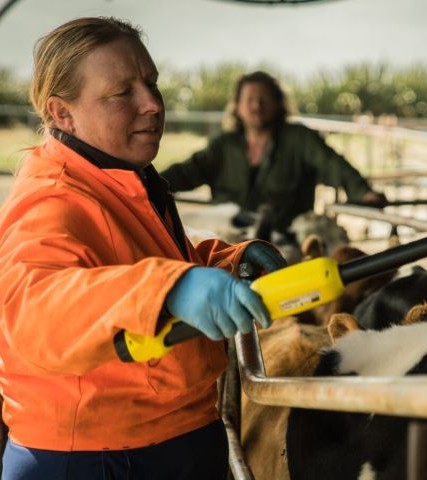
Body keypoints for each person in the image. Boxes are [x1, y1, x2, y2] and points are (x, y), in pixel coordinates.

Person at [0, 17, 286, 480]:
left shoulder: (119, 175)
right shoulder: (51, 198)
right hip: (97, 457)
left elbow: (141, 261)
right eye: (122, 93)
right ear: (62, 113)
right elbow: (35, 313)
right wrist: (170, 288)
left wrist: (226, 263)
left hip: (171, 435)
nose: (153, 105)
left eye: (151, 83)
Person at [160, 70, 387, 243]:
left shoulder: (299, 139)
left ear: (278, 104)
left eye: (263, 98)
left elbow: (332, 164)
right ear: (238, 107)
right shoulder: (223, 146)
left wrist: (363, 192)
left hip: (285, 241)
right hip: (229, 239)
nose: (256, 105)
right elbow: (187, 171)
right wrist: (146, 186)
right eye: (249, 99)